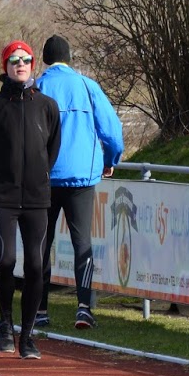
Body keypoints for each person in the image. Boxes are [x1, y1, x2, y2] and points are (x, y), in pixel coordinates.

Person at [0, 40, 63, 360]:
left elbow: (51, 149)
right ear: (5, 66)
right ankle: (5, 323)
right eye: (14, 60)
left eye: (25, 60)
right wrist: (0, 179)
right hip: (4, 198)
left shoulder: (47, 106)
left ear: (33, 65)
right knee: (7, 260)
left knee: (36, 265)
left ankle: (28, 335)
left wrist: (38, 178)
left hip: (38, 198)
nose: (20, 64)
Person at [35, 35, 125, 331]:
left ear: (45, 59)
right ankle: (84, 308)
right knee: (81, 242)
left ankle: (40, 310)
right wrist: (110, 159)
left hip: (44, 176)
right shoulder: (88, 86)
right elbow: (111, 131)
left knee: (41, 243)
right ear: (69, 57)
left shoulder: (38, 87)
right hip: (81, 177)